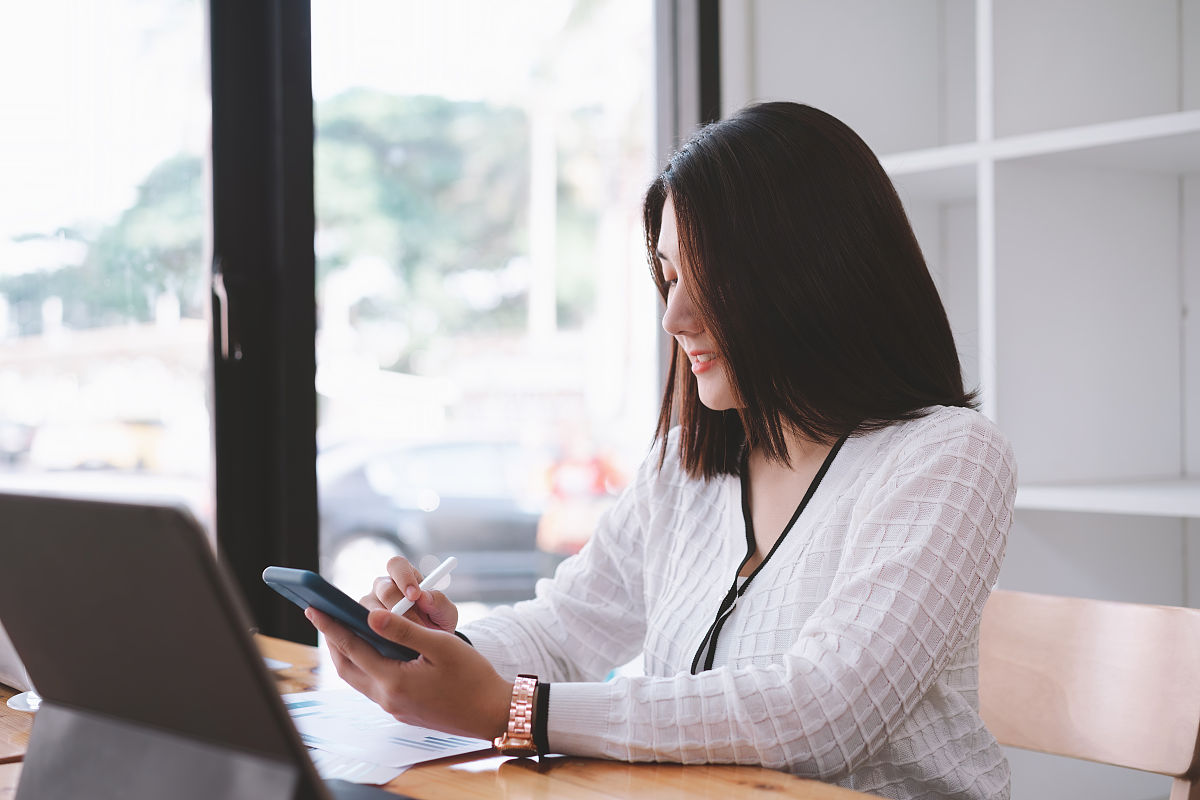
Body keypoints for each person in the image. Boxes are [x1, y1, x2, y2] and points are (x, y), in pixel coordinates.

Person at [304, 101, 1017, 800]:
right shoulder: (686, 466)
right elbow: (565, 631)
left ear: (813, 277)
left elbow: (819, 715)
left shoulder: (948, 457)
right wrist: (426, 653)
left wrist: (515, 712)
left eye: (709, 278)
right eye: (669, 276)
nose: (674, 317)